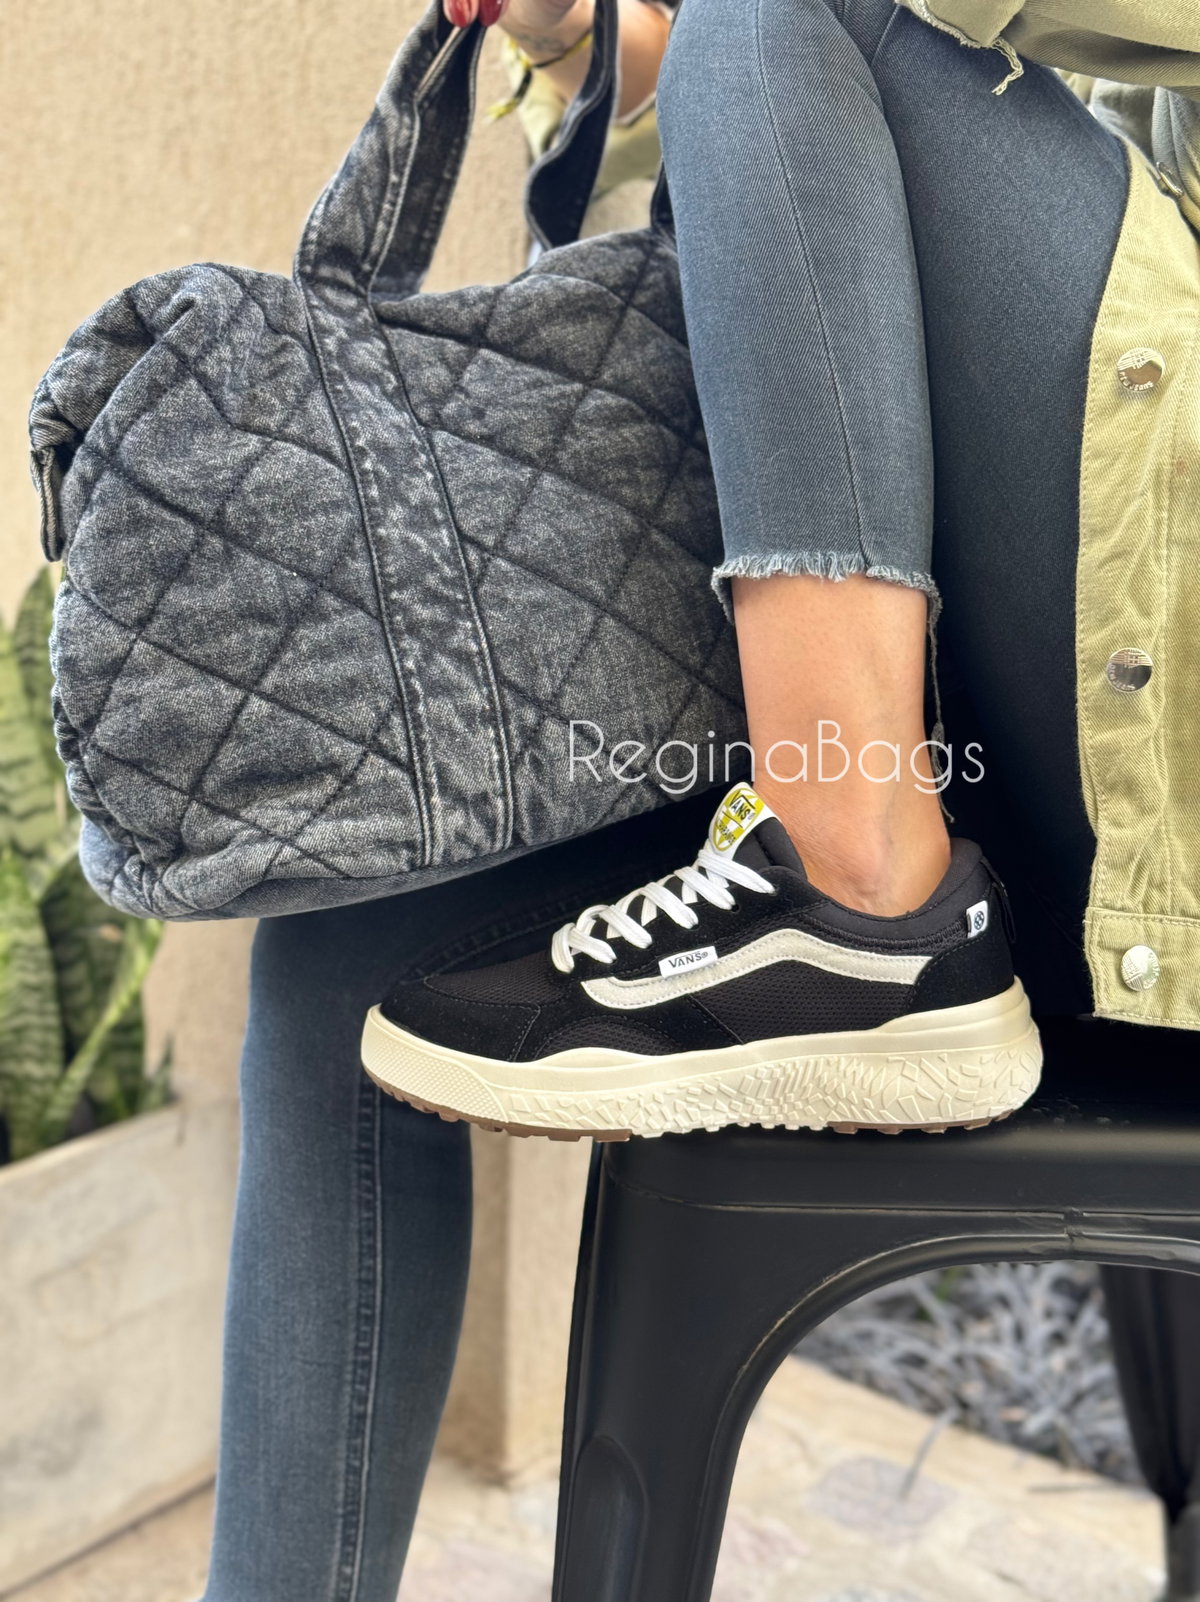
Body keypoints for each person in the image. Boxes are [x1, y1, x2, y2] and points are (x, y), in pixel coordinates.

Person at [202, 1, 1200, 1595]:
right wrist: (579, 42)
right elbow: (785, 179)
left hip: (1152, 693)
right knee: (347, 947)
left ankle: (857, 885)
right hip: (966, 678)